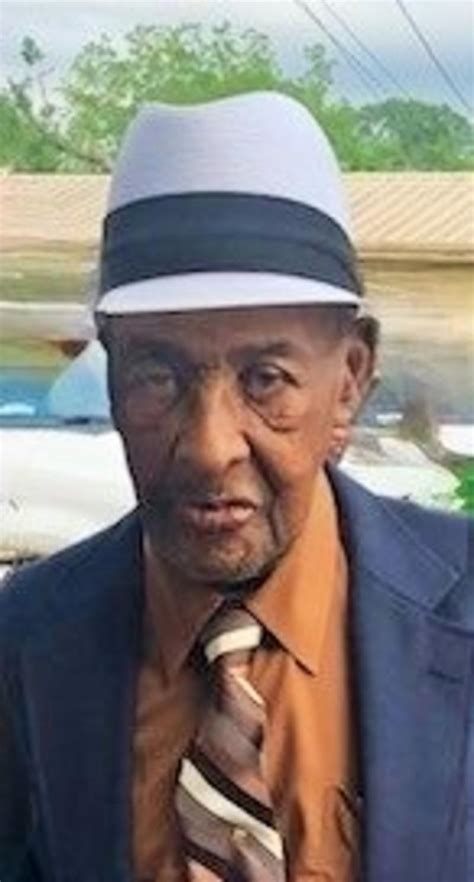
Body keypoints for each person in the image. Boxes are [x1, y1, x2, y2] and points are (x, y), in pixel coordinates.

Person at [0, 92, 472, 882]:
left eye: (265, 379)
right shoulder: (25, 643)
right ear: (110, 375)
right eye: (158, 375)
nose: (210, 448)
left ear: (350, 380)